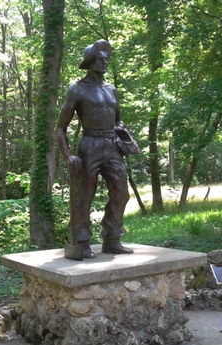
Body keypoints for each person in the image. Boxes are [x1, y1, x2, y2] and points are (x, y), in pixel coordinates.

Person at [56, 39, 134, 259]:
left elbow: (118, 120)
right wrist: (68, 155)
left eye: (106, 58)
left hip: (112, 146)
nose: (104, 61)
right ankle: (81, 242)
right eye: (99, 58)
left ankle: (112, 238)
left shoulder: (112, 90)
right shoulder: (78, 88)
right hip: (89, 145)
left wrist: (125, 137)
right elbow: (61, 128)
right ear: (90, 62)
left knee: (121, 193)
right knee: (84, 196)